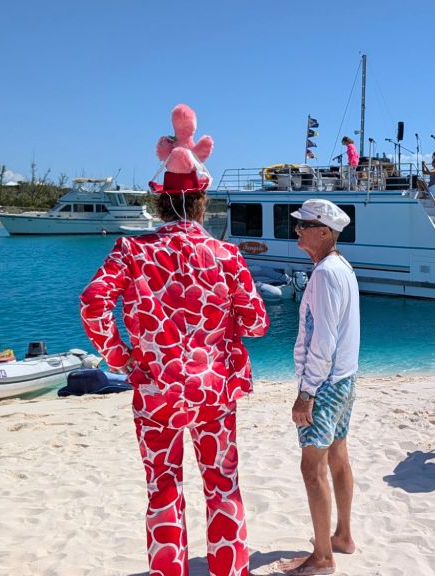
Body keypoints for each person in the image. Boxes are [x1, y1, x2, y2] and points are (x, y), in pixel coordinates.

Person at [80, 113, 269, 576]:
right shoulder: (226, 256)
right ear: (201, 202)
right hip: (214, 391)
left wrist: (120, 356)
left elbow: (93, 304)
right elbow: (257, 324)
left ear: (160, 203)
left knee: (163, 488)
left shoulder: (131, 251)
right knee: (222, 486)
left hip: (156, 390)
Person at [280, 199, 360, 576]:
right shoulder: (341, 266)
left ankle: (324, 557)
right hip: (344, 378)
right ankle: (342, 536)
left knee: (312, 468)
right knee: (338, 456)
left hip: (325, 384)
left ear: (325, 232)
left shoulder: (326, 274)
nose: (297, 230)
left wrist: (307, 392)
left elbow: (323, 340)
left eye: (304, 225)